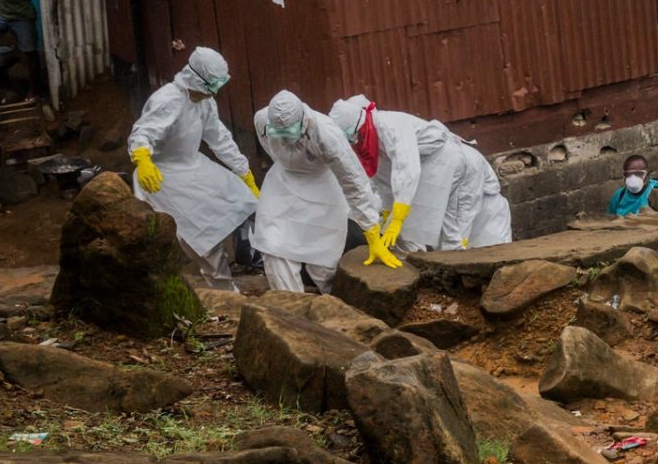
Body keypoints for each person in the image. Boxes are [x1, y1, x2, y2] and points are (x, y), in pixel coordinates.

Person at [127, 47, 260, 291]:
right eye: (210, 87)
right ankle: (222, 290)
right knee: (201, 236)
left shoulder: (205, 103)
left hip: (193, 166)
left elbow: (219, 138)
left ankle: (231, 280)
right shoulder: (168, 100)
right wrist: (142, 158)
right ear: (194, 79)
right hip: (162, 178)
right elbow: (143, 132)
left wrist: (244, 173)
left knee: (240, 200)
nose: (213, 92)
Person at [252, 89, 395, 292]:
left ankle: (333, 302)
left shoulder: (327, 133)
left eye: (289, 134)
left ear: (303, 123)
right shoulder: (261, 120)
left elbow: (353, 180)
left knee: (323, 255)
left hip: (322, 186)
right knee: (273, 246)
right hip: (283, 183)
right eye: (279, 134)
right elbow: (271, 148)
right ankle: (290, 308)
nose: (284, 140)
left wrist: (371, 229)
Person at [327, 95, 461, 254]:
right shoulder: (367, 139)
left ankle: (443, 262)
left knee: (421, 224)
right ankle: (413, 262)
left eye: (351, 134)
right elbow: (385, 179)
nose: (352, 140)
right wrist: (388, 211)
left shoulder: (391, 125)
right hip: (418, 166)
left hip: (437, 160)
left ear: (359, 123)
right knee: (405, 228)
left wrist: (397, 218)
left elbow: (407, 169)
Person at [440, 141, 513, 249]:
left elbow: (467, 209)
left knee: (493, 256)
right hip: (456, 218)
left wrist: (457, 247)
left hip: (486, 216)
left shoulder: (469, 161)